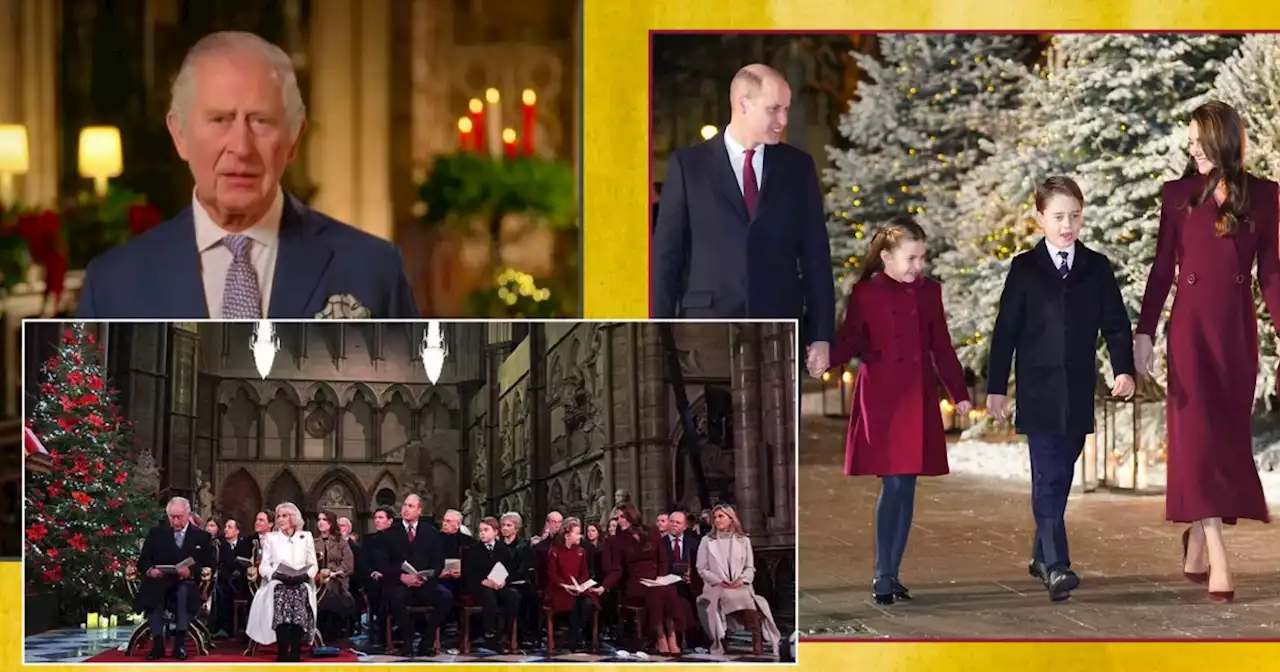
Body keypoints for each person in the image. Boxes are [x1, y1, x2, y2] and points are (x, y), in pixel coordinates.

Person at [75, 30, 416, 319]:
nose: (241, 147)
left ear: (294, 139)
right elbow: (76, 400)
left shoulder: (373, 271)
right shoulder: (110, 285)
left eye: (261, 121)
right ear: (180, 135)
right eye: (220, 120)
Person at [1135, 100, 1280, 604]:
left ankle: (1196, 537)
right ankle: (1218, 554)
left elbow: (1273, 273)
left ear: (1224, 139)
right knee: (1196, 439)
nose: (1192, 148)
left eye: (1200, 139)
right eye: (1189, 140)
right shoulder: (1178, 194)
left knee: (1224, 439)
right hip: (1191, 331)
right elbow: (1160, 270)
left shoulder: (1264, 195)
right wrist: (1144, 332)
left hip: (1236, 333)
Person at [986, 176, 1137, 602]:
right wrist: (996, 387)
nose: (1067, 225)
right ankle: (1056, 566)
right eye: (1058, 217)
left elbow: (1116, 324)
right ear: (1040, 219)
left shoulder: (1096, 267)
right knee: (1048, 476)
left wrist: (1122, 369)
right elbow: (1005, 332)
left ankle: (1039, 555)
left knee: (1060, 476)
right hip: (1037, 389)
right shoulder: (1024, 268)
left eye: (1074, 215)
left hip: (1077, 391)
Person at [650, 63, 835, 376]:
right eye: (774, 109)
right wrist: (657, 338)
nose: (783, 120)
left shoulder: (798, 167)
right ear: (742, 104)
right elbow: (666, 259)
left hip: (780, 332)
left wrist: (821, 335)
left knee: (778, 425)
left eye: (787, 109)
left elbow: (816, 256)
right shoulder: (688, 166)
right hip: (705, 336)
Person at [822, 216, 971, 605]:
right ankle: (884, 575)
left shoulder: (929, 292)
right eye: (911, 258)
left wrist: (960, 394)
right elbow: (849, 340)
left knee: (906, 485)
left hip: (917, 395)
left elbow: (942, 346)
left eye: (922, 258)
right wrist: (823, 358)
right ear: (886, 257)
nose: (918, 266)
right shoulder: (864, 293)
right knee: (896, 483)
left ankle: (890, 572)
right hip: (882, 398)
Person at [600, 503, 691, 654]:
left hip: (656, 578)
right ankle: (660, 636)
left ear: (632, 516)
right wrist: (604, 586)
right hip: (635, 582)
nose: (620, 520)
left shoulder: (651, 533)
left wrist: (661, 577)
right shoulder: (616, 540)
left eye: (623, 517)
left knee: (667, 589)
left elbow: (662, 560)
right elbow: (616, 569)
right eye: (618, 517)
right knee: (658, 592)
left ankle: (672, 636)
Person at [695, 505, 781, 656]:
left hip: (739, 585)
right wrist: (719, 580)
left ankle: (757, 639)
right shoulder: (707, 541)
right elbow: (702, 568)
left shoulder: (743, 540)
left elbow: (749, 567)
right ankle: (722, 640)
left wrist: (742, 581)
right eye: (715, 517)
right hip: (716, 586)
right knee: (727, 596)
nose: (717, 520)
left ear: (731, 518)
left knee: (748, 599)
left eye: (721, 516)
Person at [135, 497, 215, 660]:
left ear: (187, 515)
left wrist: (191, 572)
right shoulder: (156, 533)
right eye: (172, 517)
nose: (175, 520)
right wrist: (151, 571)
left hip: (186, 583)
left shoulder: (202, 537)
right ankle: (157, 643)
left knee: (183, 592)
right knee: (152, 591)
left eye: (179, 517)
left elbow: (209, 565)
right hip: (159, 581)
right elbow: (143, 561)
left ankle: (180, 643)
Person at [379, 494, 454, 657]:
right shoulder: (390, 533)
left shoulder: (431, 532)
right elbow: (383, 563)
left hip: (424, 583)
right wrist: (401, 577)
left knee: (446, 597)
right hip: (400, 583)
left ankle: (426, 641)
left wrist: (425, 577)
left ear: (419, 510)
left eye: (411, 506)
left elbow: (438, 562)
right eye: (405, 505)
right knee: (395, 597)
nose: (406, 509)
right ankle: (407, 641)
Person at [246, 502, 318, 661]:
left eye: (284, 516)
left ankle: (296, 651)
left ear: (294, 518)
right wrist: (277, 575)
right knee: (282, 596)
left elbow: (313, 564)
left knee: (299, 595)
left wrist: (304, 576)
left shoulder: (305, 537)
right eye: (278, 516)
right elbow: (264, 565)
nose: (280, 519)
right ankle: (283, 651)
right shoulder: (271, 538)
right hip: (278, 582)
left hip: (301, 581)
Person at [543, 517, 603, 652]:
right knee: (573, 603)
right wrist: (565, 586)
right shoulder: (555, 552)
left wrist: (580, 586)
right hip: (559, 589)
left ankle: (577, 634)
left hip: (577, 588)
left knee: (588, 602)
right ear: (567, 535)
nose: (580, 536)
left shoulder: (581, 551)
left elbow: (584, 573)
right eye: (576, 533)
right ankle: (572, 640)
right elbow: (552, 574)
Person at [462, 517, 521, 652]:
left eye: (486, 530)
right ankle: (490, 635)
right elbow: (468, 573)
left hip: (499, 584)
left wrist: (504, 581)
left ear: (495, 532)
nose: (482, 533)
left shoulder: (503, 549)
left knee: (513, 596)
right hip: (479, 586)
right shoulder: (473, 550)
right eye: (480, 530)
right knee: (489, 597)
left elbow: (511, 569)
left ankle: (506, 632)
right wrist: (483, 581)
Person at [314, 510, 355, 641]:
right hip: (317, 579)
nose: (320, 522)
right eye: (319, 519)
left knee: (332, 589)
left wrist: (333, 572)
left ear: (331, 523)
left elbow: (348, 565)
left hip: (337, 579)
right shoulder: (313, 542)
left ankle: (332, 631)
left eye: (324, 520)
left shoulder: (341, 542)